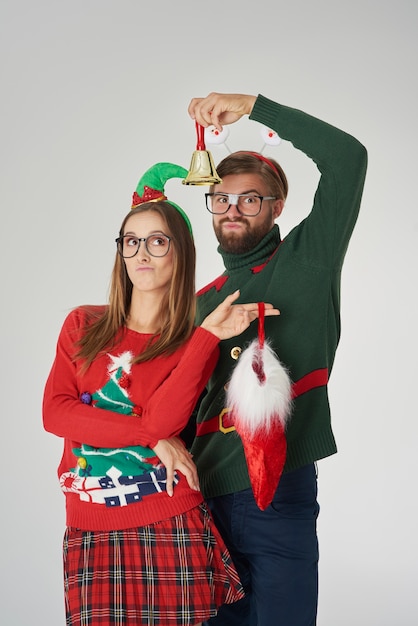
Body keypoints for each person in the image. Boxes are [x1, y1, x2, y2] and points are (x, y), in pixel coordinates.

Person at [42, 161, 281, 626]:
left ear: (180, 252)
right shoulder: (82, 325)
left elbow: (165, 422)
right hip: (89, 525)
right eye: (131, 241)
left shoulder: (188, 343)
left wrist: (207, 338)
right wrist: (150, 438)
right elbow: (56, 414)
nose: (142, 253)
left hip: (167, 521)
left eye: (157, 240)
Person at [186, 93, 368, 626]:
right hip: (202, 497)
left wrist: (255, 106)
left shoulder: (309, 259)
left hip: (278, 490)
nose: (233, 209)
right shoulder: (200, 301)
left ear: (277, 207)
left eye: (250, 199)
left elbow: (348, 158)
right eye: (220, 199)